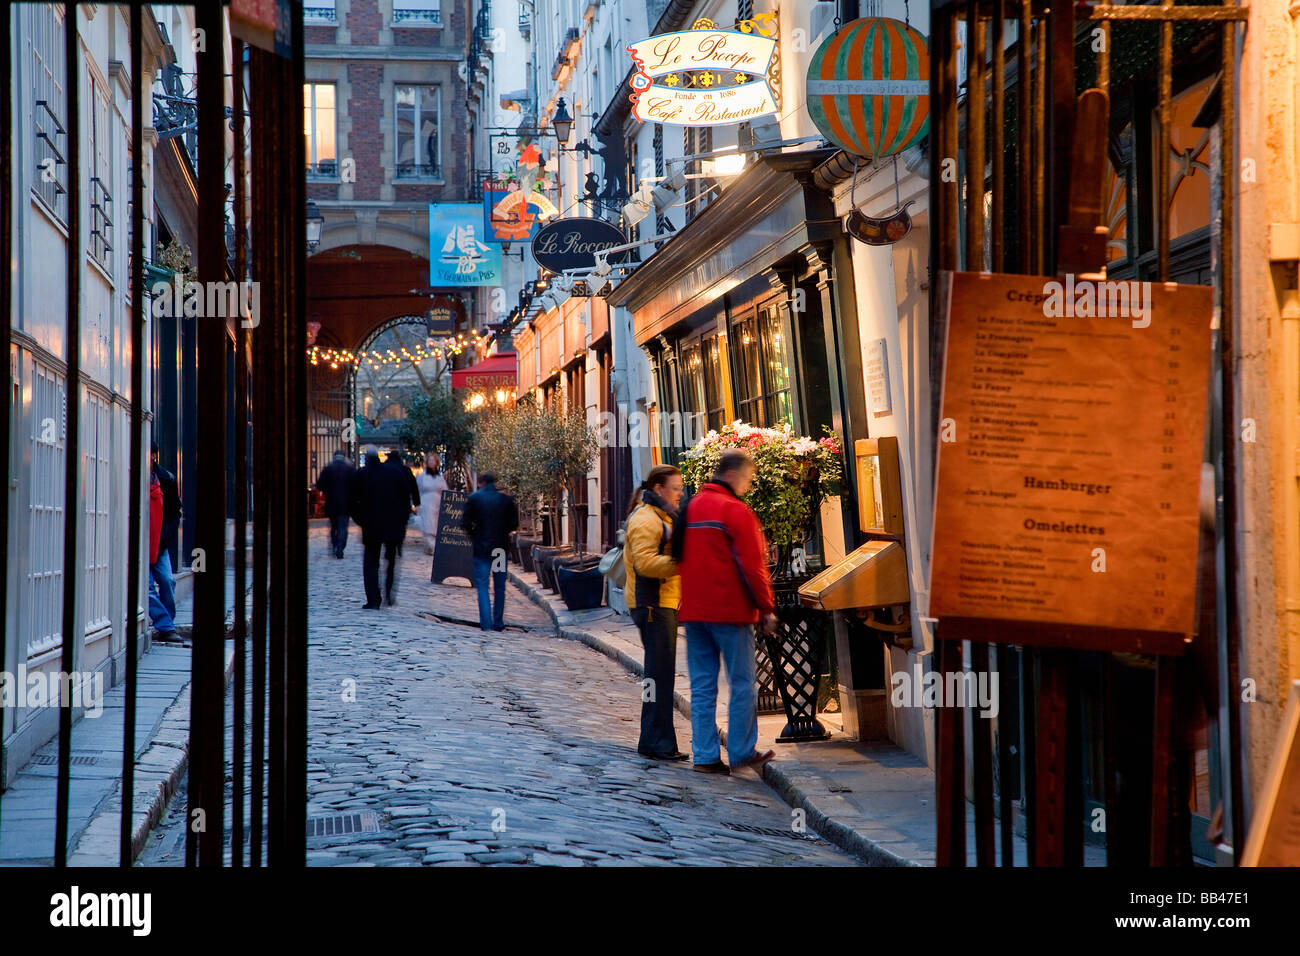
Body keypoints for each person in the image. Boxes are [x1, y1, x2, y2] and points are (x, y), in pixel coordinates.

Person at [677, 448, 777, 775]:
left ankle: (705, 755)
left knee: (703, 686)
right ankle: (741, 752)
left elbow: (677, 555)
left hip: (694, 612)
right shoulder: (736, 511)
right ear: (734, 474)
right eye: (748, 477)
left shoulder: (689, 507)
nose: (748, 485)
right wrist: (766, 608)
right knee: (743, 683)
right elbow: (753, 567)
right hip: (730, 612)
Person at [624, 464, 688, 761]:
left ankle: (658, 741)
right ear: (659, 489)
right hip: (652, 606)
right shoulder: (646, 519)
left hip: (660, 603)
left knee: (660, 677)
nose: (680, 493)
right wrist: (682, 563)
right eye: (676, 488)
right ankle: (655, 742)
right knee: (657, 677)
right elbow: (645, 563)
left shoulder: (660, 515)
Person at [349, 446, 419, 609]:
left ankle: (374, 599)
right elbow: (405, 500)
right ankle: (388, 592)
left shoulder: (361, 475)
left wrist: (361, 520)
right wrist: (402, 521)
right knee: (391, 560)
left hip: (371, 526)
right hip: (393, 526)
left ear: (366, 458)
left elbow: (352, 503)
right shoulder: (394, 473)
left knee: (371, 563)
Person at [462, 472, 518, 631]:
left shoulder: (474, 499)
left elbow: (465, 523)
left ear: (480, 483)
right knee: (499, 586)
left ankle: (486, 624)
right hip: (500, 548)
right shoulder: (506, 500)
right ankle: (498, 622)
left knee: (482, 585)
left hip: (482, 548)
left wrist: (474, 535)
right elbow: (514, 523)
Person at [148, 440, 182, 642]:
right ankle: (166, 626)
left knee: (168, 581)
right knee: (147, 588)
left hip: (160, 544)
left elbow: (174, 512)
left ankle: (167, 622)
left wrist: (166, 536)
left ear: (154, 456)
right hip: (140, 544)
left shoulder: (166, 479)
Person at [315, 448, 356, 558]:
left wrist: (328, 490)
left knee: (334, 526)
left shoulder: (328, 468)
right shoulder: (349, 469)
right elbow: (356, 486)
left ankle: (334, 545)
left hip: (332, 502)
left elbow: (319, 485)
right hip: (346, 504)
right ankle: (340, 546)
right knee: (343, 526)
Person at [416, 453, 450, 555]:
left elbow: (445, 489)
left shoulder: (439, 477)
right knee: (427, 524)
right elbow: (417, 490)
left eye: (433, 460)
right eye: (430, 460)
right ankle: (433, 547)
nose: (432, 462)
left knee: (435, 525)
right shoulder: (421, 476)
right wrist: (417, 505)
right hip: (425, 502)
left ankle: (430, 548)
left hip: (438, 503)